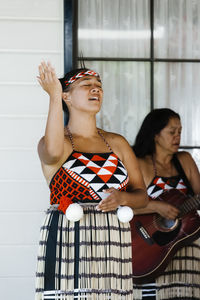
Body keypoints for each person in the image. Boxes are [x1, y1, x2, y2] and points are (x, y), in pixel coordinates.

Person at [35, 61, 148, 300]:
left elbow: (142, 196)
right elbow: (52, 154)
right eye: (86, 85)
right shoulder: (60, 143)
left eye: (98, 85)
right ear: (67, 97)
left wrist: (123, 197)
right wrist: (53, 96)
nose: (95, 89)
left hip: (112, 242)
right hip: (69, 240)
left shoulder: (117, 143)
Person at [132, 108, 200, 300]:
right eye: (172, 132)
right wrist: (156, 206)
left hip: (184, 249)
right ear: (155, 134)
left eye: (180, 131)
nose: (177, 136)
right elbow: (125, 207)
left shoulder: (184, 161)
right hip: (151, 249)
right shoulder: (141, 164)